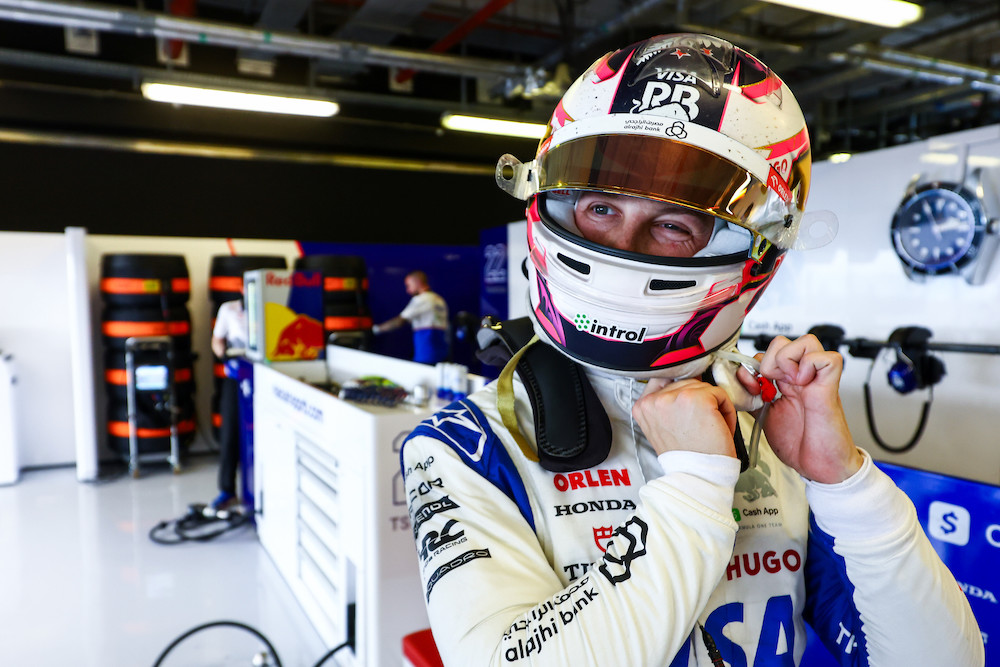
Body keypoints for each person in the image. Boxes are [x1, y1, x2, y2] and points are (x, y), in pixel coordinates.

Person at [400, 33, 984, 666]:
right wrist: (697, 485)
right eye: (601, 208)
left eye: (675, 224)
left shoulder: (771, 433)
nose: (625, 245)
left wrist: (844, 482)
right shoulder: (465, 446)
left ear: (754, 248)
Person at [210, 297, 247, 511]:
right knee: (229, 432)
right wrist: (224, 354)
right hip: (235, 375)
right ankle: (227, 490)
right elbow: (217, 340)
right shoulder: (229, 309)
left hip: (263, 375)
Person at [372, 270, 450, 364]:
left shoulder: (421, 299)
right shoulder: (439, 300)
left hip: (426, 353)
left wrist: (376, 329)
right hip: (442, 352)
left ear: (417, 283)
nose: (408, 290)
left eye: (409, 285)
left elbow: (399, 321)